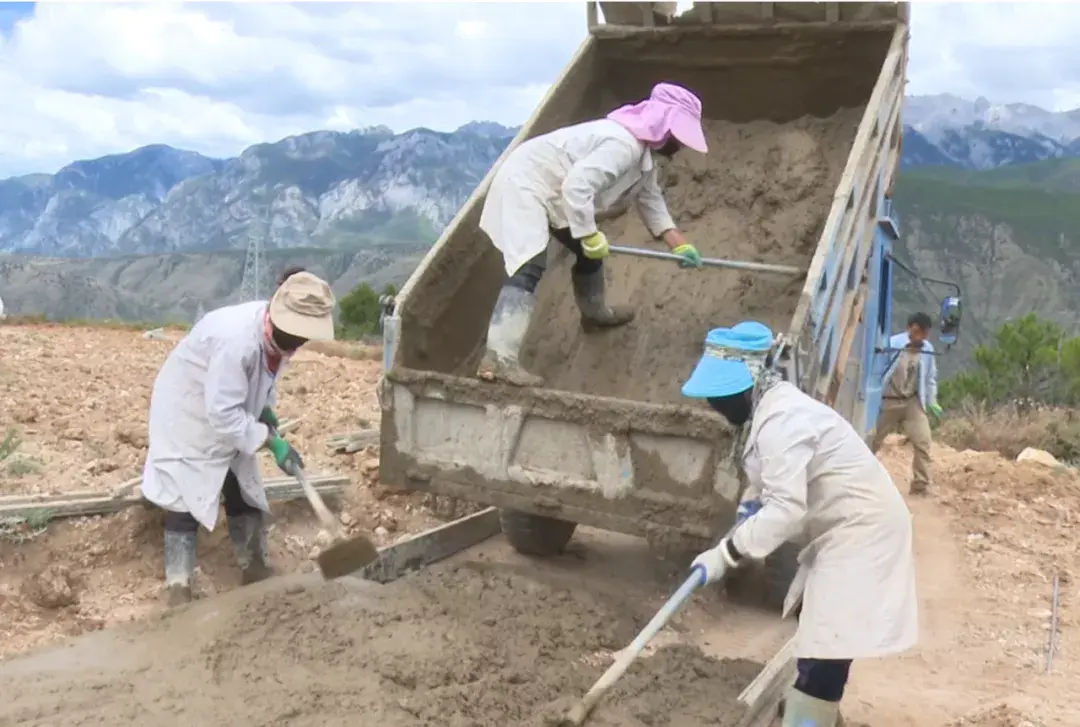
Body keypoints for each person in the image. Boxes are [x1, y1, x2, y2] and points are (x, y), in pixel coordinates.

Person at [684, 321, 918, 727]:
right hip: (842, 530)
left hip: (861, 531)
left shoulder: (783, 421)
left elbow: (786, 509)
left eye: (722, 396)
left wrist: (728, 552)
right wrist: (746, 512)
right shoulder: (769, 412)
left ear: (750, 383)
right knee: (821, 632)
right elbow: (767, 485)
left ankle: (808, 719)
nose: (715, 405)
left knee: (827, 641)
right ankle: (817, 714)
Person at [476, 82, 709, 387]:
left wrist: (679, 244)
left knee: (588, 254)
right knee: (528, 265)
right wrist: (588, 233)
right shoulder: (621, 144)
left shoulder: (643, 158)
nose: (680, 146)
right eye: (678, 137)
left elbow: (651, 200)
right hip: (528, 185)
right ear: (664, 127)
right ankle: (498, 359)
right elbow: (577, 187)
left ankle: (594, 315)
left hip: (555, 194)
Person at [142, 272, 336, 606]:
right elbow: (222, 414)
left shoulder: (279, 334)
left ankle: (254, 569)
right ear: (280, 319)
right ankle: (179, 586)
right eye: (297, 336)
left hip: (228, 408)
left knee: (242, 483)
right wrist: (272, 442)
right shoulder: (238, 342)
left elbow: (262, 377)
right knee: (186, 493)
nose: (301, 343)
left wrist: (265, 410)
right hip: (189, 411)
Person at [870, 311, 943, 495]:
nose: (921, 336)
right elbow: (877, 370)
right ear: (910, 328)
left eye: (925, 333)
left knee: (923, 441)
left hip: (912, 400)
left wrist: (932, 401)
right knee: (872, 440)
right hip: (889, 400)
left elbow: (930, 378)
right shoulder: (893, 345)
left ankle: (920, 485)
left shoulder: (927, 349)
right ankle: (860, 479)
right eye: (918, 331)